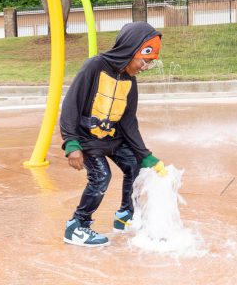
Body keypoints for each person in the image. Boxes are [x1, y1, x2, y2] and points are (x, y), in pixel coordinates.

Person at [61, 21, 168, 247]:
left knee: (135, 167)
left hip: (113, 139)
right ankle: (77, 226)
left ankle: (125, 216)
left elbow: (129, 121)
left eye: (149, 64)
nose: (144, 67)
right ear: (130, 49)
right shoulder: (95, 66)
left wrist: (144, 154)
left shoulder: (130, 80)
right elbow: (71, 103)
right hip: (88, 139)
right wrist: (71, 142)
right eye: (144, 61)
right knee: (101, 177)